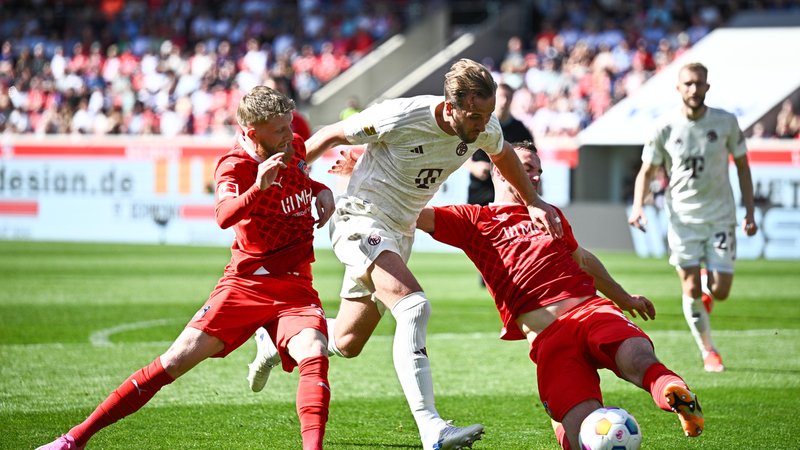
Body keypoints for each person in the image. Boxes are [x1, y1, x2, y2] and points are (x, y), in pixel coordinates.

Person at [248, 58, 563, 450]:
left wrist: (532, 201)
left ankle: (276, 340)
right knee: (414, 306)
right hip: (360, 218)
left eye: (487, 114)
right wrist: (290, 181)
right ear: (451, 106)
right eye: (475, 115)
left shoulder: (487, 126)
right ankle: (431, 427)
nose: (483, 123)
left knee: (347, 341)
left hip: (399, 231)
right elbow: (330, 135)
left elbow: (503, 155)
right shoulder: (400, 115)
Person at [37, 86, 336, 450]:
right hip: (246, 285)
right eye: (280, 131)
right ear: (252, 132)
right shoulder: (234, 166)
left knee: (315, 353)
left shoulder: (294, 147)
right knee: (172, 362)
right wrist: (258, 187)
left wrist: (321, 190)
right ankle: (74, 439)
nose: (290, 136)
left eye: (290, 126)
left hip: (295, 285)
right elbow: (224, 216)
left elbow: (302, 179)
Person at [417, 141, 705, 449]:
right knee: (583, 433)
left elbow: (583, 259)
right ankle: (573, 416)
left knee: (637, 358)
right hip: (550, 339)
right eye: (527, 168)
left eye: (538, 171)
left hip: (591, 311)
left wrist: (623, 298)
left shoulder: (548, 214)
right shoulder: (475, 220)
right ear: (502, 171)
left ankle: (675, 392)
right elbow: (416, 216)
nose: (535, 177)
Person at [628, 62, 758, 373]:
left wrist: (750, 211)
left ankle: (707, 290)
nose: (694, 89)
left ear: (707, 87)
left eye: (699, 83)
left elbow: (742, 166)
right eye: (688, 83)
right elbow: (647, 171)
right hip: (682, 218)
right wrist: (638, 206)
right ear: (678, 88)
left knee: (721, 290)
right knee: (689, 288)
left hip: (721, 217)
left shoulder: (725, 122)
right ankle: (708, 351)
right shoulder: (664, 127)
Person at [465, 82, 533, 207]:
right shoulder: (480, 124)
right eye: (501, 96)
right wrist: (473, 166)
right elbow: (461, 148)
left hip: (509, 192)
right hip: (481, 189)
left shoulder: (520, 130)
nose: (504, 101)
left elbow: (531, 157)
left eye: (508, 97)